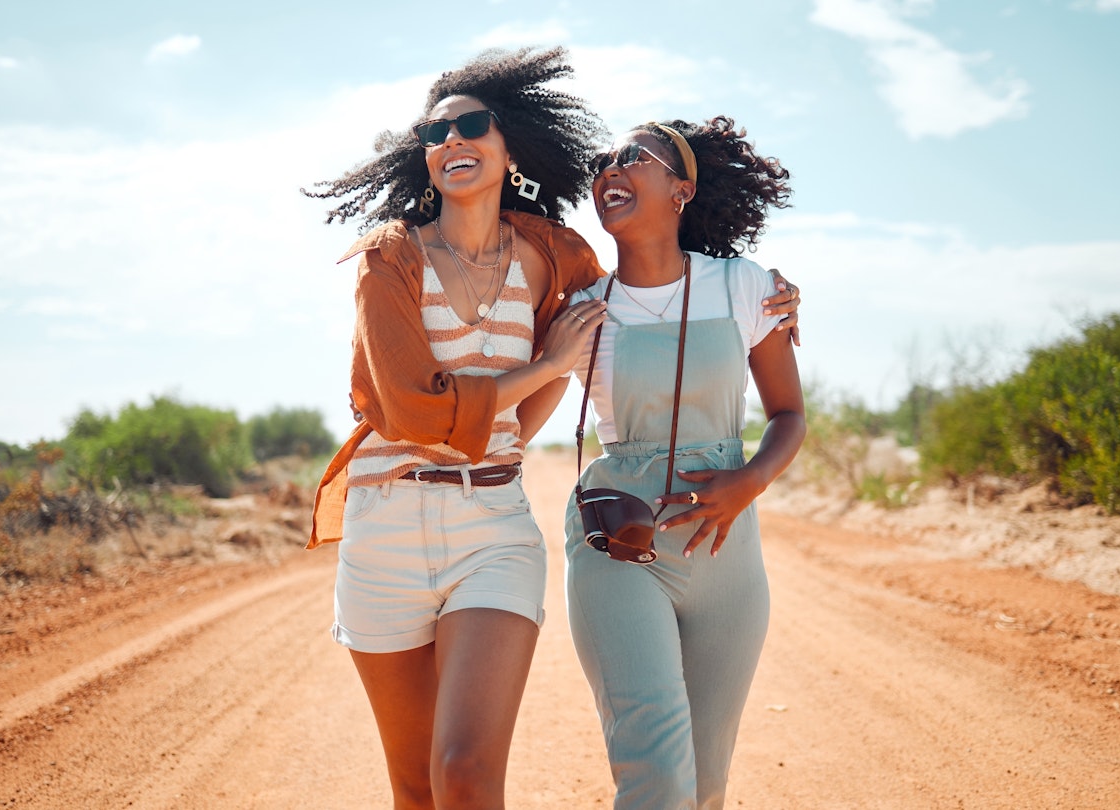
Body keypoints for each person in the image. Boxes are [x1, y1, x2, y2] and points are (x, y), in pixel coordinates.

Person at [302, 47, 801, 808]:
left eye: (473, 125)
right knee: (428, 784)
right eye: (434, 134)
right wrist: (538, 375)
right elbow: (433, 404)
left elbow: (754, 383)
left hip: (573, 528)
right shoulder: (426, 268)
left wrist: (776, 306)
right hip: (463, 524)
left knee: (670, 779)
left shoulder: (575, 261)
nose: (451, 142)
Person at [563, 117, 806, 810]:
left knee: (704, 787)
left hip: (728, 558)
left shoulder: (744, 288)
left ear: (681, 189)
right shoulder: (583, 310)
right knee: (657, 778)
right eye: (603, 162)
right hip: (621, 547)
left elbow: (789, 416)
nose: (611, 169)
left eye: (634, 157)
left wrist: (749, 481)